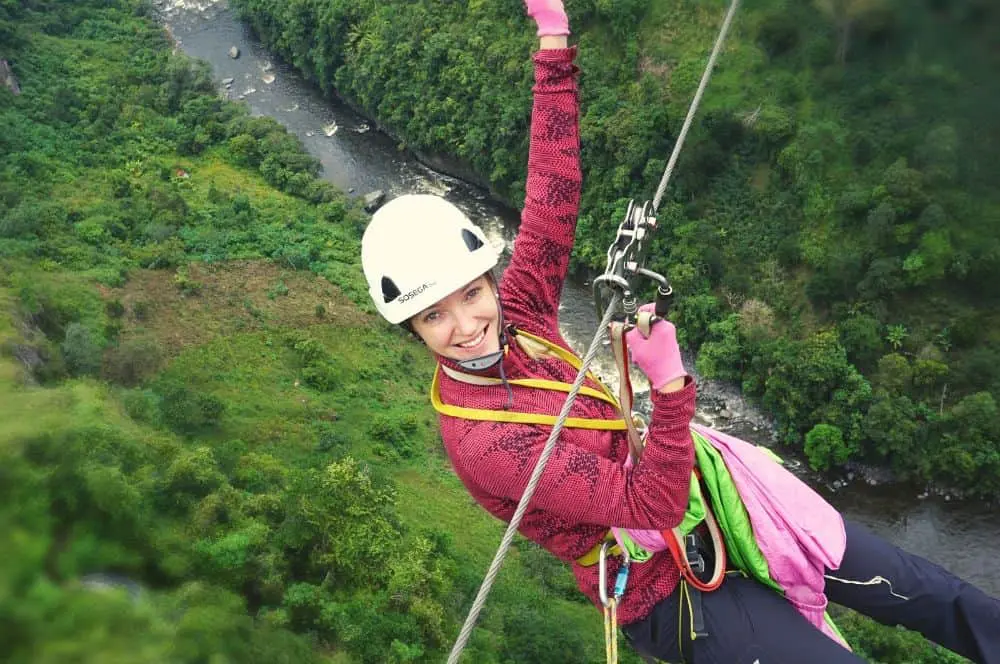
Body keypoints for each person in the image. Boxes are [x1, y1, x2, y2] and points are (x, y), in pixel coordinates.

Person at [360, 1, 1000, 661]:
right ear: (412, 328)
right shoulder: (483, 440)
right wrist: (668, 384)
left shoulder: (520, 312)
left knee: (923, 588)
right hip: (663, 588)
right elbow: (651, 502)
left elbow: (554, 192)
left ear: (490, 280)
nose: (467, 326)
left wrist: (553, 41)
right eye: (435, 315)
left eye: (470, 295)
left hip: (713, 494)